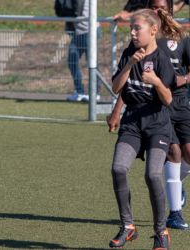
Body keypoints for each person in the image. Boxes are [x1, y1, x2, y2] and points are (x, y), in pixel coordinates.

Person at [108, 0, 190, 231]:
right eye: (154, 6)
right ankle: (173, 213)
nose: (158, 10)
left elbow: (171, 88)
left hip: (177, 103)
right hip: (145, 113)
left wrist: (177, 80)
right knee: (171, 154)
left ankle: (174, 189)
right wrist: (116, 111)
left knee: (180, 159)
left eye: (162, 6)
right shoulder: (137, 48)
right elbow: (128, 86)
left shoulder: (179, 37)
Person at [59, 0, 100, 102]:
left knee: (92, 62)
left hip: (89, 31)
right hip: (78, 32)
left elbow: (76, 10)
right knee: (72, 61)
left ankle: (95, 93)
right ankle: (79, 92)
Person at [113, 0, 188, 21]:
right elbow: (126, 12)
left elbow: (172, 8)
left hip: (166, 30)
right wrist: (123, 15)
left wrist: (184, 1)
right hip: (149, 31)